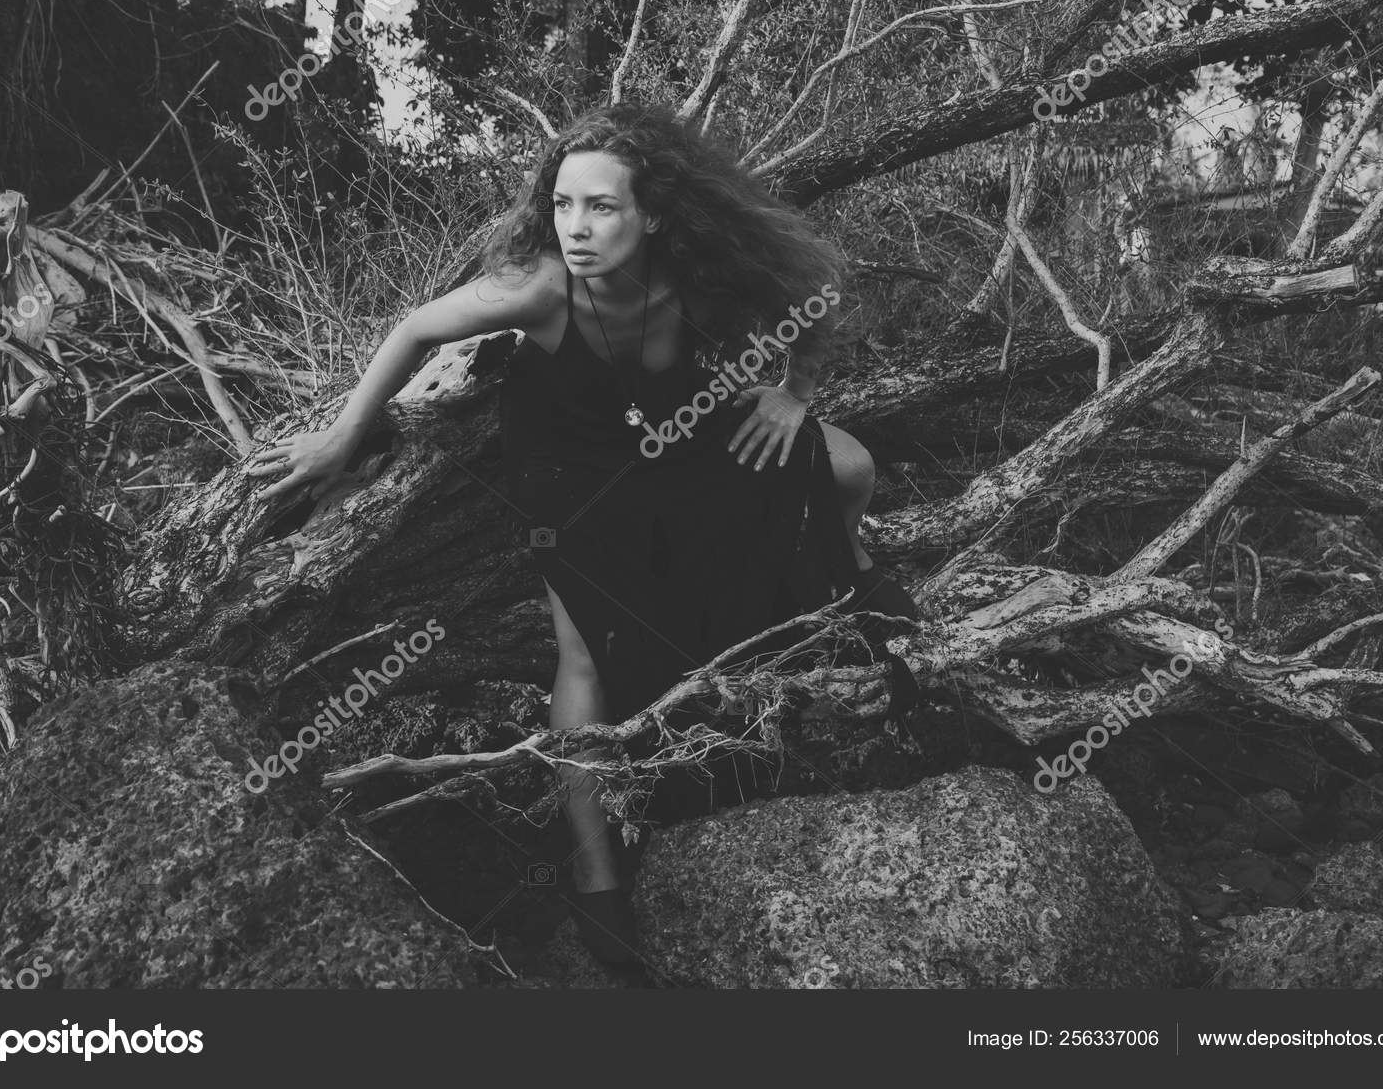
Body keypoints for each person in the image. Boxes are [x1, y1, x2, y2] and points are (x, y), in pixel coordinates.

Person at [249, 102, 915, 981]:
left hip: (675, 436)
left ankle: (847, 605)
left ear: (655, 216)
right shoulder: (543, 286)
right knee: (583, 649)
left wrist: (792, 389)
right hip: (566, 467)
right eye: (563, 204)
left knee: (850, 468)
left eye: (601, 206)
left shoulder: (701, 275)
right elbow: (414, 330)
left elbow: (812, 297)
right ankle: (595, 872)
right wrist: (341, 439)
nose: (576, 227)